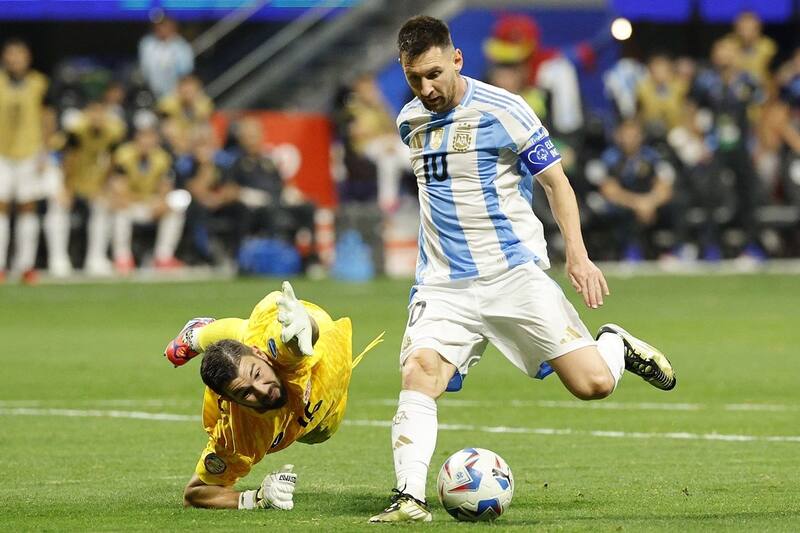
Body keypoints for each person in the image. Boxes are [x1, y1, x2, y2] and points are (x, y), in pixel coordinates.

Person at [369, 16, 677, 523]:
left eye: (434, 74)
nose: (426, 89)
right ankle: (410, 498)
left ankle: (613, 346)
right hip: (444, 284)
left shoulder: (506, 110)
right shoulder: (409, 123)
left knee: (593, 385)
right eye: (414, 79)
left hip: (513, 275)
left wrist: (576, 254)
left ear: (457, 59)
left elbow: (557, 184)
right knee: (419, 373)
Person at [163, 281, 380, 509]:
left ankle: (195, 336)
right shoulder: (239, 432)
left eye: (258, 374)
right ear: (232, 401)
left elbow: (292, 342)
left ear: (261, 356)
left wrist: (304, 323)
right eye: (245, 393)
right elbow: (195, 494)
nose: (263, 390)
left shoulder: (278, 350)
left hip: (315, 336)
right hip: (319, 407)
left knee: (247, 334)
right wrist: (254, 499)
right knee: (321, 433)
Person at [0, 38, 58, 284]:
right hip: (2, 152)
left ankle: (26, 265)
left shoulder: (39, 83)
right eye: (11, 55)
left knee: (27, 207)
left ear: (28, 58)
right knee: (1, 207)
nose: (15, 59)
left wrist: (45, 150)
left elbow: (48, 116)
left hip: (30, 151)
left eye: (19, 55)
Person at [586, 119, 679, 261]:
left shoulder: (652, 157)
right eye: (626, 135)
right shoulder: (609, 158)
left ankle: (673, 249)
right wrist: (638, 204)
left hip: (649, 204)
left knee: (676, 203)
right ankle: (627, 250)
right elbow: (609, 191)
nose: (629, 140)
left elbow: (665, 187)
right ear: (618, 136)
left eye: (633, 135)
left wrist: (649, 203)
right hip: (623, 206)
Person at [107, 121, 186, 274]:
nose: (146, 141)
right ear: (136, 137)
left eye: (150, 136)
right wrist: (136, 200)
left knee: (176, 209)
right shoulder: (124, 154)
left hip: (150, 203)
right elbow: (119, 189)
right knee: (119, 210)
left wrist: (162, 203)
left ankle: (163, 257)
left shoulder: (162, 157)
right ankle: (122, 258)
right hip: (130, 203)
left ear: (156, 139)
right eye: (143, 136)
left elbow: (166, 187)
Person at [60, 98, 127, 275]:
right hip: (72, 179)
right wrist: (67, 187)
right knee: (58, 207)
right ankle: (58, 258)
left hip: (95, 182)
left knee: (103, 207)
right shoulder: (76, 130)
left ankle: (96, 258)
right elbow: (68, 161)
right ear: (87, 114)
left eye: (100, 112)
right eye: (93, 112)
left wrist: (104, 187)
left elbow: (112, 163)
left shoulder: (113, 132)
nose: (97, 117)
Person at [138, 15, 194, 98]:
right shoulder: (147, 43)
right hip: (152, 91)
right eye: (158, 25)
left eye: (164, 25)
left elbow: (186, 71)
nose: (161, 28)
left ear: (172, 27)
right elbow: (144, 69)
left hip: (176, 93)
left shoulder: (181, 46)